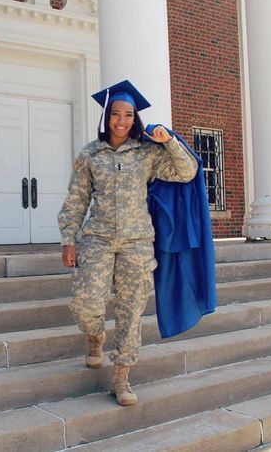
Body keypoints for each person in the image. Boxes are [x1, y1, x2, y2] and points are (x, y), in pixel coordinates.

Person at [58, 80, 198, 406]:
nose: (121, 120)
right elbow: (76, 200)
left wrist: (170, 141)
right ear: (107, 116)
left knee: (131, 310)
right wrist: (69, 239)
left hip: (137, 242)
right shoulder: (90, 154)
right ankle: (94, 334)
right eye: (115, 114)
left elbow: (187, 172)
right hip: (98, 238)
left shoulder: (147, 153)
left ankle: (121, 376)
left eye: (128, 115)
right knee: (86, 301)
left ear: (134, 118)